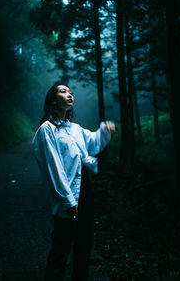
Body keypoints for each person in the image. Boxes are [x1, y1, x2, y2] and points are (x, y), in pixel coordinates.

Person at [32, 82, 115, 281]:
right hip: (66, 194)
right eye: (63, 91)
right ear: (53, 99)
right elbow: (54, 167)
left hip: (85, 189)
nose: (69, 94)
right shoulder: (47, 129)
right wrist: (68, 200)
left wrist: (105, 130)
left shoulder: (75, 128)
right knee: (61, 248)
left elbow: (93, 142)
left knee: (84, 245)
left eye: (70, 91)